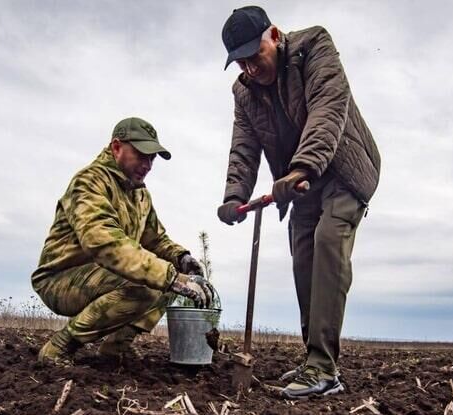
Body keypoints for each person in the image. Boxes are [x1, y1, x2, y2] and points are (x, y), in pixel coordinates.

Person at [217, 6, 381, 399]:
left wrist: (302, 167)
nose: (251, 68)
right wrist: (233, 195)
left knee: (328, 243)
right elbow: (244, 146)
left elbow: (328, 109)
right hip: (299, 184)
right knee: (303, 255)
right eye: (241, 62)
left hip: (342, 168)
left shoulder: (314, 47)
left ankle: (324, 369)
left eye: (255, 56)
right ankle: (314, 360)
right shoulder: (244, 91)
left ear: (274, 35)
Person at [32, 116, 214, 365]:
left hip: (101, 275)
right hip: (60, 279)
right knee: (152, 284)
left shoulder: (140, 194)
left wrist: (181, 258)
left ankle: (116, 348)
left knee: (167, 282)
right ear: (116, 147)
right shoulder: (89, 182)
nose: (148, 164)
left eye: (152, 158)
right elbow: (103, 242)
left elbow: (156, 239)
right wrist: (169, 276)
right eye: (141, 155)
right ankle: (59, 347)